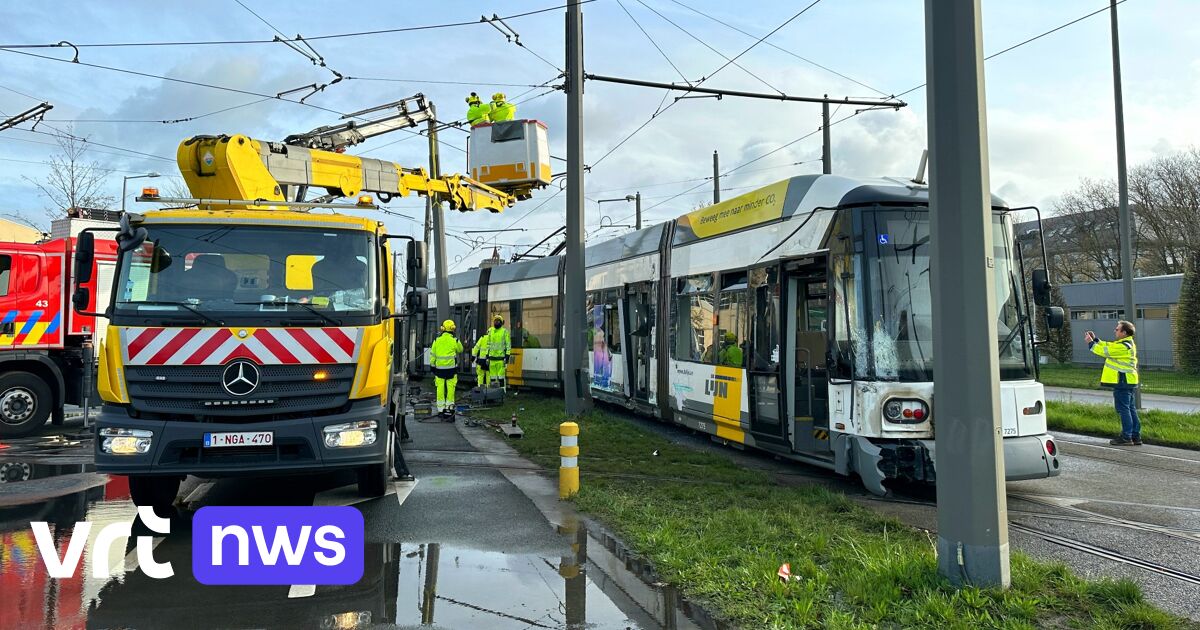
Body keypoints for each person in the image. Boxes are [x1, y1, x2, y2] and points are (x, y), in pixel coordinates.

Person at [1086, 320, 1141, 445]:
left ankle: (1127, 437)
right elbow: (1109, 346)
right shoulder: (1125, 344)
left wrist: (1091, 344)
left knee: (1123, 409)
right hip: (1128, 380)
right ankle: (1135, 436)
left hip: (1122, 380)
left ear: (1124, 332)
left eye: (1117, 329)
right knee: (1130, 408)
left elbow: (1105, 351)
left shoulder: (1123, 346)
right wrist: (1096, 340)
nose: (1115, 331)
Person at [430, 319, 464, 417]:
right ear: (453, 329)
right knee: (450, 389)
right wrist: (456, 340)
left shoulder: (437, 340)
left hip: (439, 370)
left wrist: (432, 366)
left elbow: (432, 355)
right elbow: (461, 350)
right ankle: (449, 407)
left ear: (442, 329)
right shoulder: (455, 340)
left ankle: (440, 409)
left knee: (440, 388)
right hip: (451, 370)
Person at [486, 313, 512, 388]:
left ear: (501, 322)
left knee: (501, 378)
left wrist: (506, 357)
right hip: (492, 359)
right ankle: (494, 393)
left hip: (501, 359)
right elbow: (488, 344)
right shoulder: (490, 331)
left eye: (498, 321)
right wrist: (487, 356)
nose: (496, 322)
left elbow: (508, 346)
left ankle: (502, 392)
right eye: (495, 321)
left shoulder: (504, 332)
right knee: (492, 378)